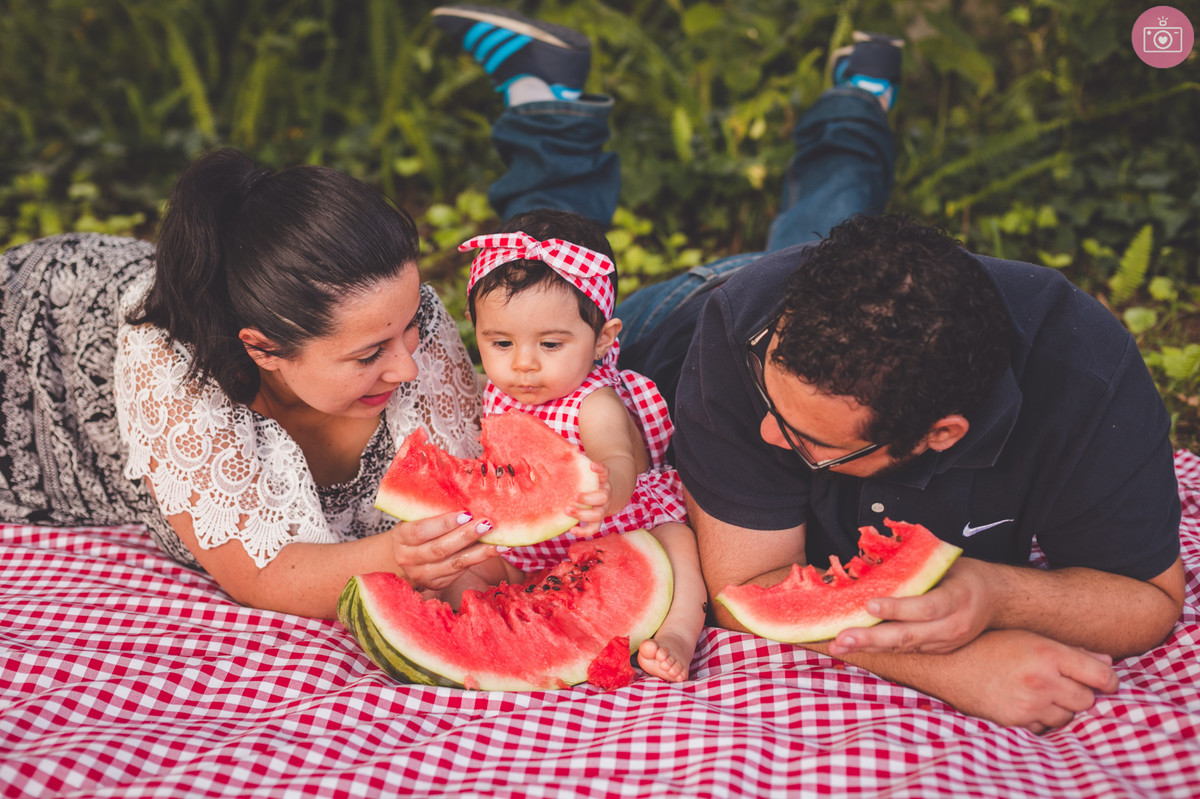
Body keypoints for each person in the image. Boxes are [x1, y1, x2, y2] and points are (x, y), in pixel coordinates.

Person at [431, 5, 1185, 731]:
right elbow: (744, 589)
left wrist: (990, 592)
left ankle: (857, 95)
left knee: (805, 226)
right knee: (539, 289)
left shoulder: (1087, 377)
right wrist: (953, 667)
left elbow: (1149, 600)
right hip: (682, 324)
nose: (763, 429)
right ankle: (549, 106)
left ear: (941, 434)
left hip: (855, 312)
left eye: (806, 437)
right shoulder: (746, 331)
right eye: (773, 395)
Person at [0, 149, 504, 619]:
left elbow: (464, 509)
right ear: (263, 349)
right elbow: (261, 575)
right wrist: (398, 558)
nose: (407, 369)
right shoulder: (173, 364)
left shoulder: (403, 318)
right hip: (35, 339)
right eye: (369, 354)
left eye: (409, 325)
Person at [449, 208, 707, 681]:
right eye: (501, 343)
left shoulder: (594, 402)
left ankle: (677, 633)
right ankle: (480, 633)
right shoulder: (497, 392)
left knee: (680, 546)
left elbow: (617, 456)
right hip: (528, 546)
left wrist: (609, 493)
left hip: (615, 534)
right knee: (463, 569)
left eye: (550, 345)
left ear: (603, 339)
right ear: (474, 326)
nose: (523, 365)